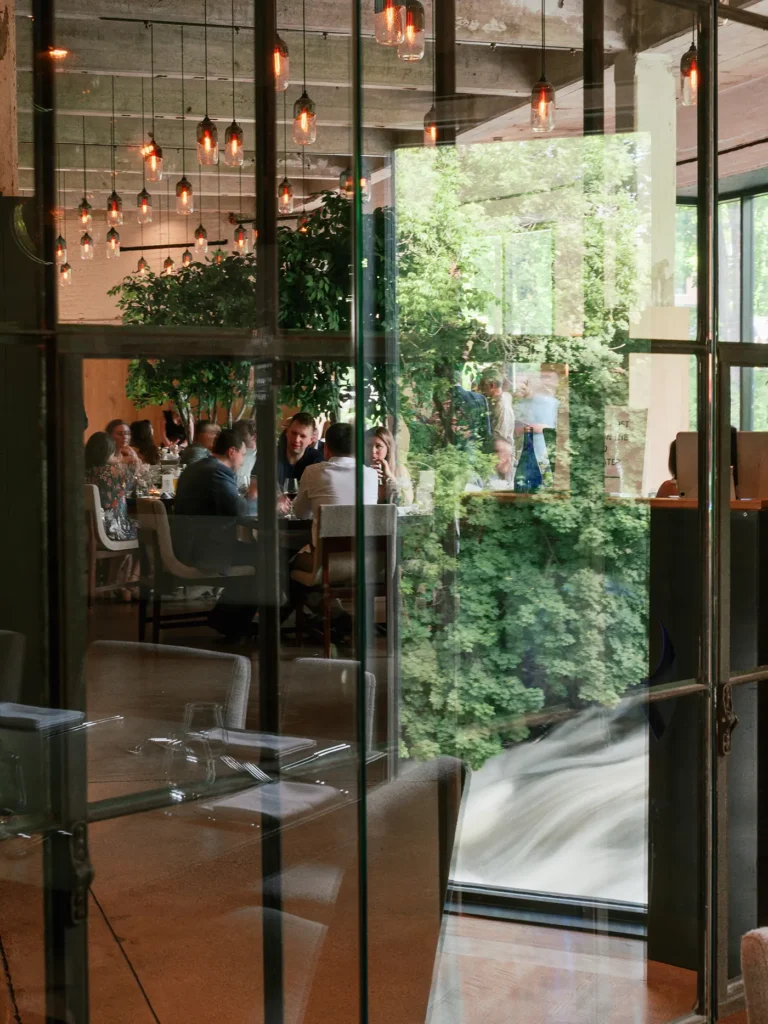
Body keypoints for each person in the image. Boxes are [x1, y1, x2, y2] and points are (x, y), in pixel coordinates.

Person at [173, 429, 259, 641]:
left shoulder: (200, 468)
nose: (242, 460)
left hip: (189, 544)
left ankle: (226, 622)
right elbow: (239, 511)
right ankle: (233, 625)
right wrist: (255, 496)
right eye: (242, 454)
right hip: (201, 551)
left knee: (257, 554)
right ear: (232, 452)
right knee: (264, 558)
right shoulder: (215, 472)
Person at [294, 422, 378, 534]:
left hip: (323, 550)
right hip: (363, 550)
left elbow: (301, 514)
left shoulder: (312, 473)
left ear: (326, 448)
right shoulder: (372, 474)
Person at [248, 411, 323, 498]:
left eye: (302, 436)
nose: (296, 439)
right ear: (287, 432)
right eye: (294, 433)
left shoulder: (316, 459)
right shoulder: (269, 455)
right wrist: (276, 499)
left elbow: (318, 494)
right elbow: (253, 485)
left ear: (311, 440)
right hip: (273, 509)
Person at [84, 432, 138, 543]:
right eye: (114, 453)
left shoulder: (83, 472)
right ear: (107, 453)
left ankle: (118, 560)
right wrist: (134, 459)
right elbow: (132, 485)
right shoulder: (112, 472)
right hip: (111, 530)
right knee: (146, 530)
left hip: (87, 531)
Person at [365, 426, 414, 505]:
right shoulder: (359, 471)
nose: (373, 451)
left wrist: (389, 476)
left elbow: (407, 501)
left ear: (388, 449)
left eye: (378, 446)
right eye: (369, 446)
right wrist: (368, 479)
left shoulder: (399, 470)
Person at [480, 368, 516, 447]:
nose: (480, 388)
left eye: (482, 385)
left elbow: (499, 438)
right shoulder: (504, 396)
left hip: (502, 453)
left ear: (492, 385)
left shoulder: (501, 406)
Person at [232, 419, 257, 489]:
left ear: (254, 437)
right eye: (236, 434)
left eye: (242, 435)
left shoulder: (264, 457)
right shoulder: (230, 454)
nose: (238, 438)